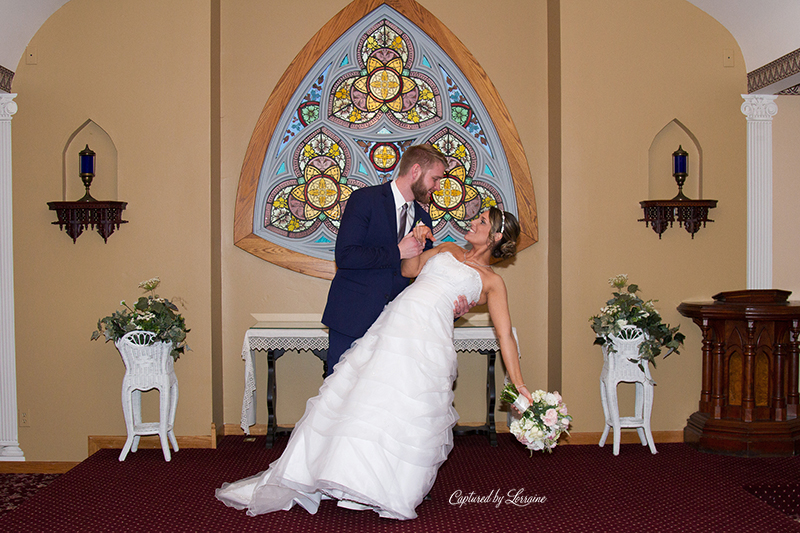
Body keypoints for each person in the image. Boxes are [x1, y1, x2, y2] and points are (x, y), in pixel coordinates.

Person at [216, 206, 533, 520]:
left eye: (482, 221)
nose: (473, 222)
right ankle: (343, 475)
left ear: (495, 236)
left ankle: (385, 488)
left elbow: (505, 335)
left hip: (430, 343)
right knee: (365, 398)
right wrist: (416, 241)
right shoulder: (448, 248)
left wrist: (519, 384)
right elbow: (409, 270)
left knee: (405, 410)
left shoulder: (492, 282)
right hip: (394, 326)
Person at [321, 144, 470, 375]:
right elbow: (346, 255)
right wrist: (398, 252)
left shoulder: (423, 218)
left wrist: (451, 307)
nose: (438, 187)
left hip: (395, 326)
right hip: (352, 317)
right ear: (416, 171)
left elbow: (423, 276)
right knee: (339, 390)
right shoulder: (365, 199)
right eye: (435, 179)